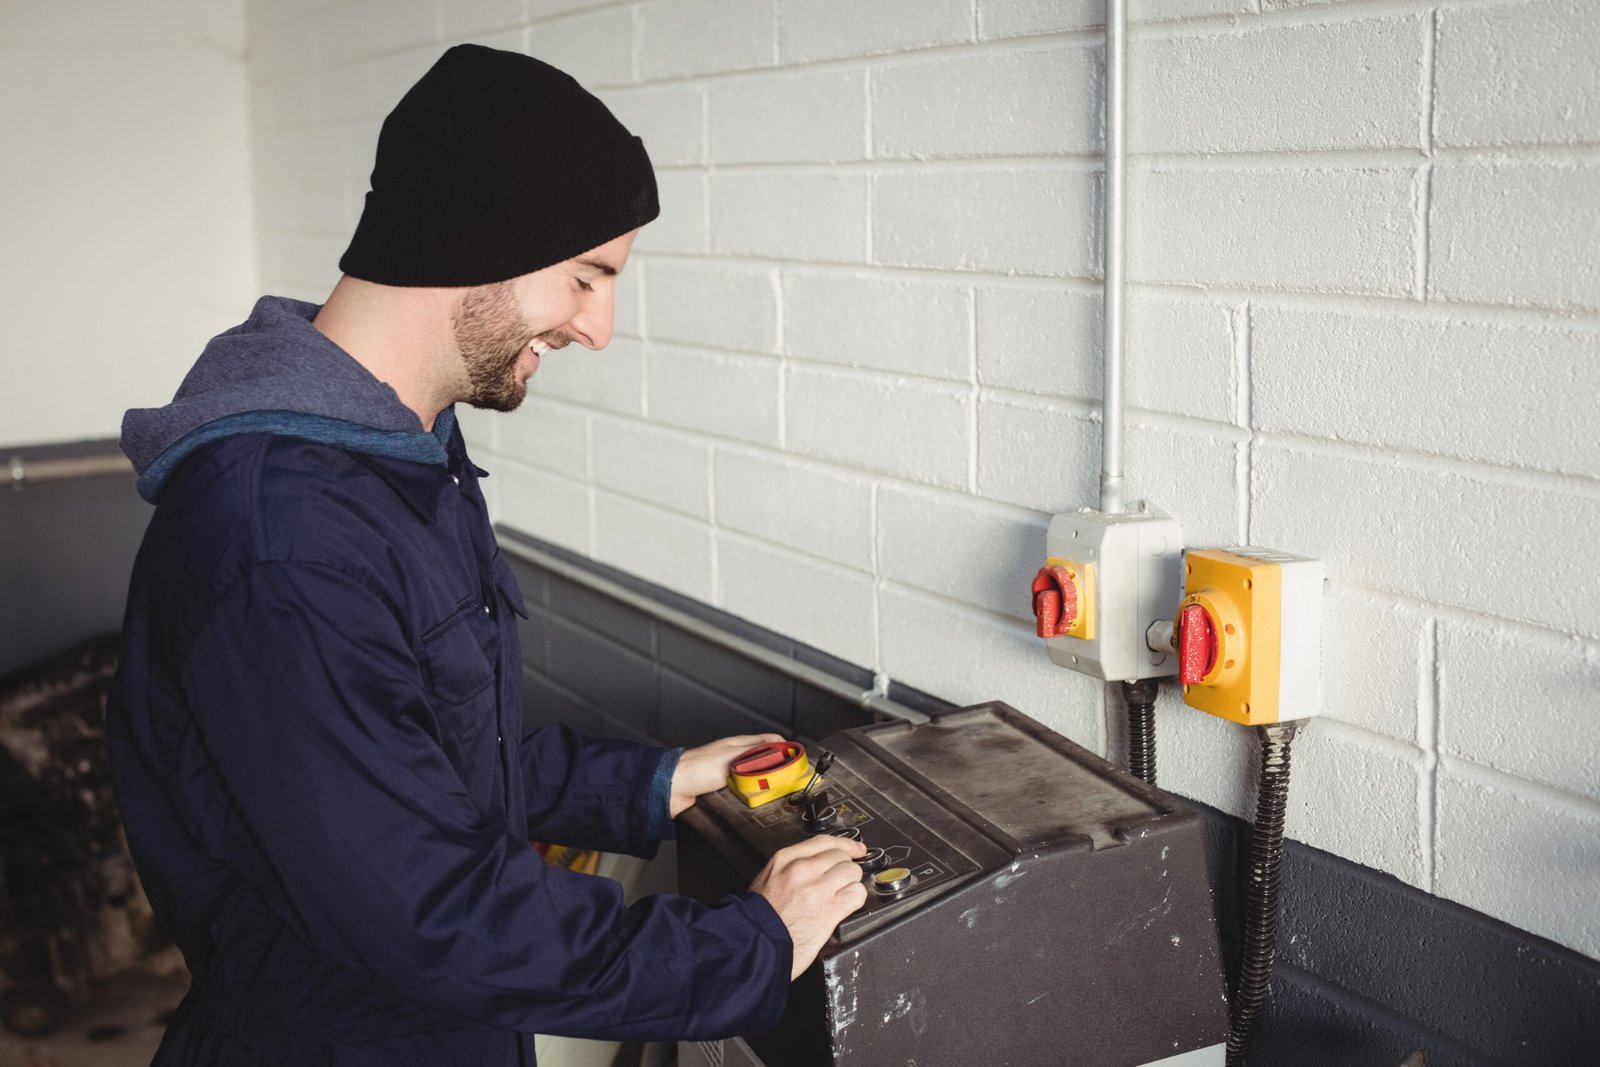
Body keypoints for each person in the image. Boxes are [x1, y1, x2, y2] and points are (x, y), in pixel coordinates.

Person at [108, 44, 868, 1067]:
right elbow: (428, 907)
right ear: (481, 238)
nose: (599, 328)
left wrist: (654, 780)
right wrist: (747, 943)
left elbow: (422, 755)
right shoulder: (282, 538)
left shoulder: (397, 456)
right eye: (587, 277)